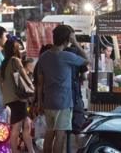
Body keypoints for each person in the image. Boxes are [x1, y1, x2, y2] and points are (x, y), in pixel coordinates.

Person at [37, 25, 89, 153]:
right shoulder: (66, 56)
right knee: (60, 135)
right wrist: (75, 43)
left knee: (49, 134)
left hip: (48, 101)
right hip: (63, 102)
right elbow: (87, 60)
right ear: (67, 39)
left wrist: (39, 102)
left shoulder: (43, 56)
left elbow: (40, 83)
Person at [0, 39, 35, 153]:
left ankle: (30, 150)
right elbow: (24, 75)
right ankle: (14, 151)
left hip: (10, 98)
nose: (20, 49)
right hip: (17, 98)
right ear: (14, 49)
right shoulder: (15, 60)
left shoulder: (5, 62)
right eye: (19, 47)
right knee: (17, 126)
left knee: (25, 124)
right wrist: (32, 87)